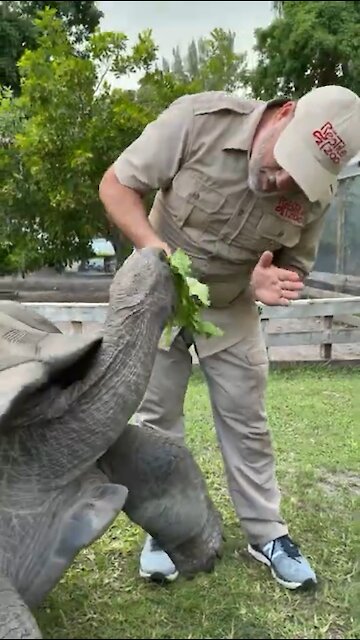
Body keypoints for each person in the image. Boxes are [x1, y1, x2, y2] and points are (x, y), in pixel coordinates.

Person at [99, 84, 360, 590]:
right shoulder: (199, 121)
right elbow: (116, 185)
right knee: (157, 421)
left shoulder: (312, 193)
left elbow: (289, 269)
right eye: (285, 161)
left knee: (249, 423)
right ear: (283, 114)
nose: (282, 181)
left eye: (300, 178)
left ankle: (268, 535)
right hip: (161, 293)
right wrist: (160, 259)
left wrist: (263, 285)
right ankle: (165, 529)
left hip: (232, 304)